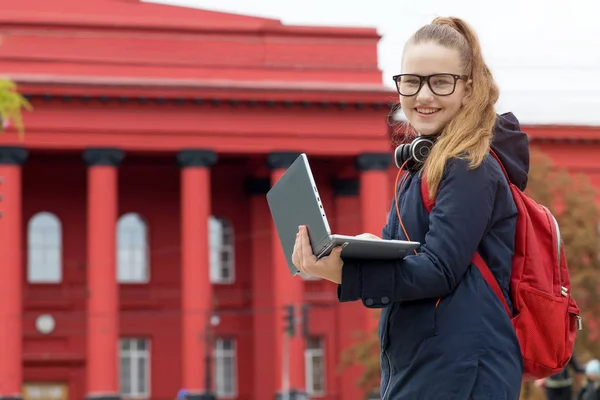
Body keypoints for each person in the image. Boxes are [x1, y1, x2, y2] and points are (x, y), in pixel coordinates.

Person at [291, 16, 528, 399]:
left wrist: (345, 273)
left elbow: (438, 270)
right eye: (412, 81)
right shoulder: (418, 168)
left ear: (468, 88)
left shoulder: (470, 167)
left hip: (463, 370)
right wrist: (365, 249)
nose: (423, 96)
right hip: (427, 364)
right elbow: (406, 257)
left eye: (440, 82)